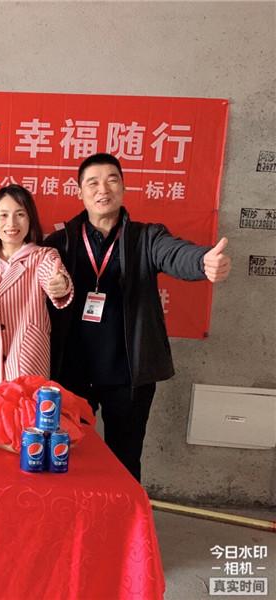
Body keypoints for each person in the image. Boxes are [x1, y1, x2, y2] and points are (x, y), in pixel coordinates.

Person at [43, 152, 231, 482]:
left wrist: (203, 262)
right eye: (93, 183)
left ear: (124, 187)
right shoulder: (60, 243)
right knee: (68, 458)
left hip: (128, 376)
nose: (103, 189)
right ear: (80, 192)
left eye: (111, 180)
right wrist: (51, 286)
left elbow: (175, 253)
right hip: (71, 374)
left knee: (125, 461)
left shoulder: (146, 238)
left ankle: (123, 517)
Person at [0, 185, 73, 409]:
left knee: (25, 426)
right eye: (4, 215)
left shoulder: (43, 256)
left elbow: (55, 277)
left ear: (30, 219)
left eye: (20, 214)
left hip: (27, 363)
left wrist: (60, 285)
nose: (11, 223)